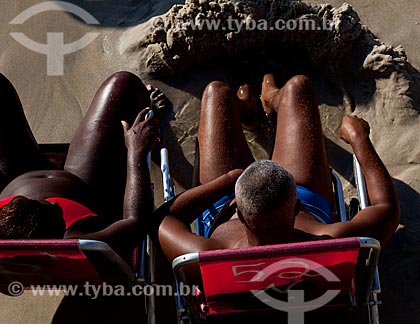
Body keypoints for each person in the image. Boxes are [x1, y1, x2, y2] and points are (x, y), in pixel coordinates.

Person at [156, 73, 400, 267]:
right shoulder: (332, 242)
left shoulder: (208, 257)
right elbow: (385, 208)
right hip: (304, 201)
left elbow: (165, 219)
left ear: (240, 215)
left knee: (216, 93)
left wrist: (229, 180)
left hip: (224, 206)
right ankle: (272, 98)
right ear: (295, 208)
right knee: (298, 87)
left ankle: (245, 109)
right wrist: (359, 137)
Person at [0, 69, 168, 260]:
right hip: (82, 183)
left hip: (10, 179)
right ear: (60, 230)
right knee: (124, 83)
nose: (51, 202)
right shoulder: (80, 242)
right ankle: (146, 111)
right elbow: (136, 222)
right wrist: (136, 153)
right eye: (55, 209)